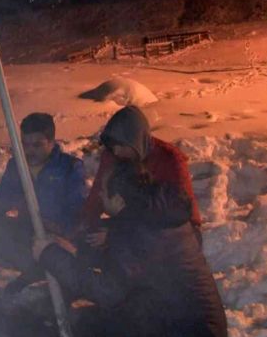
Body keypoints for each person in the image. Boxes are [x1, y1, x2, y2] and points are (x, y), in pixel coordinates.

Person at [33, 144, 227, 337]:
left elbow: (107, 291)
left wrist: (50, 256)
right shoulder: (157, 217)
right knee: (120, 309)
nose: (100, 195)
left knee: (88, 327)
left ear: (120, 199)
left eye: (104, 191)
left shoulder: (135, 231)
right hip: (202, 330)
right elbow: (129, 266)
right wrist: (74, 253)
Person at [0, 113, 88, 294]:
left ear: (52, 142)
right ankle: (34, 272)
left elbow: (77, 208)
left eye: (37, 145)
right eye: (25, 144)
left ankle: (60, 279)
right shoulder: (17, 166)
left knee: (61, 253)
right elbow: (1, 200)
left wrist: (62, 229)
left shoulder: (69, 167)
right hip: (30, 232)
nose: (30, 151)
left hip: (60, 236)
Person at [81, 105, 202, 252]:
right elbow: (98, 195)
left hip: (162, 230)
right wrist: (84, 226)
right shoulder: (113, 155)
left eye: (120, 146)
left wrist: (116, 235)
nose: (116, 151)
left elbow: (185, 212)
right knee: (91, 238)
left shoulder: (169, 159)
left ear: (134, 142)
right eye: (112, 147)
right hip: (130, 221)